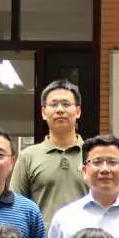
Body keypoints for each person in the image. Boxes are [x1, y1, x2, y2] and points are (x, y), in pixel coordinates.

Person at [10, 79, 89, 227]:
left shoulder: (93, 155)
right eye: (53, 105)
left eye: (66, 104)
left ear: (78, 111)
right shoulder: (28, 156)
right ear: (43, 112)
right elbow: (16, 208)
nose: (60, 110)